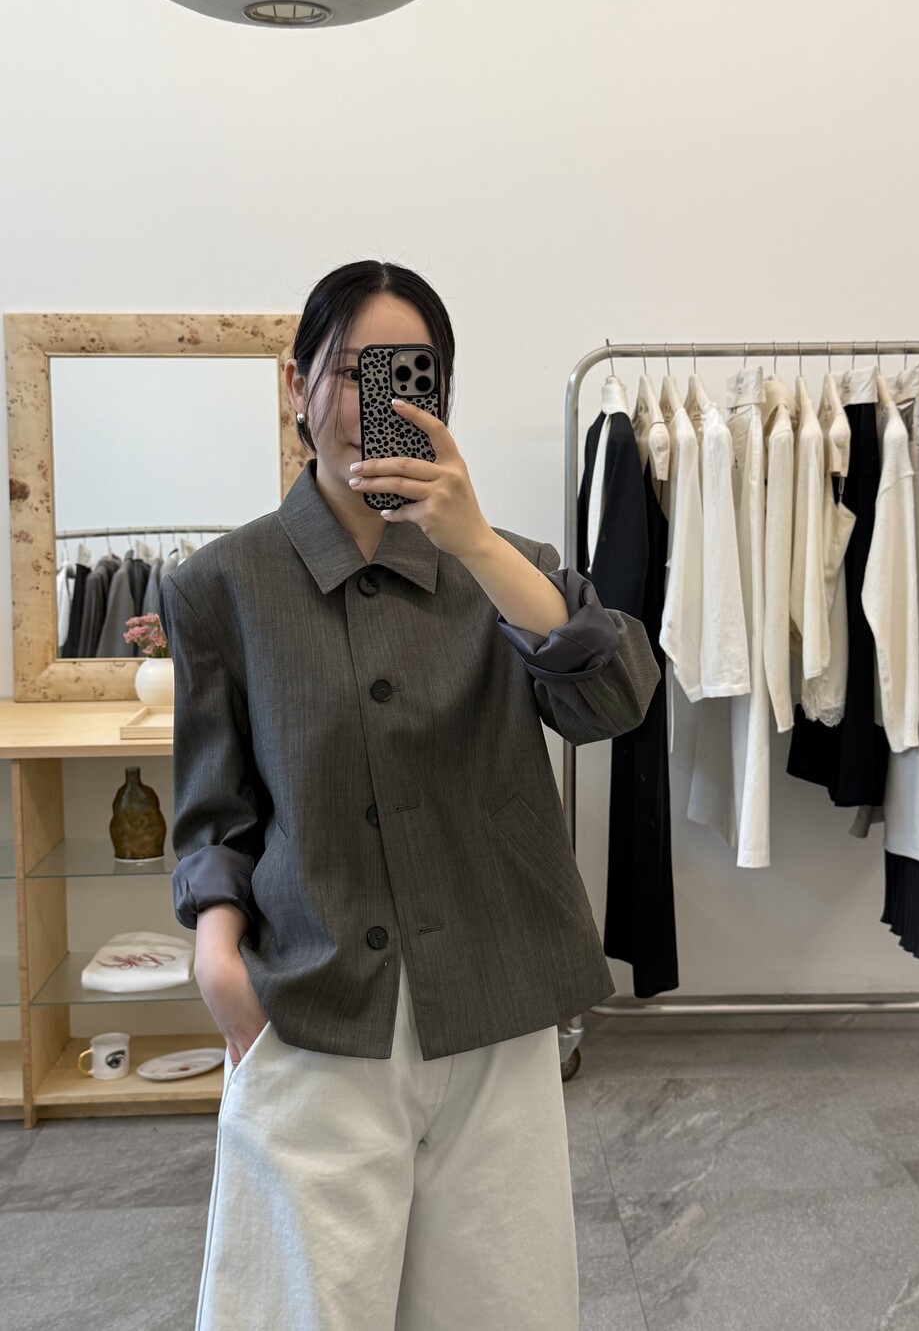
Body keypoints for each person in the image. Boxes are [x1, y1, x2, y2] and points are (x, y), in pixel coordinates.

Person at [160, 260, 658, 1330]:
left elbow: (616, 699)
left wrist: (474, 544)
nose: (373, 401)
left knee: (501, 1306)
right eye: (352, 371)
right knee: (301, 1309)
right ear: (296, 384)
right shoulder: (221, 585)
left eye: (408, 373)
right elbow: (215, 811)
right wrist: (217, 957)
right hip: (315, 1006)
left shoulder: (508, 568)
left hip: (493, 1005)